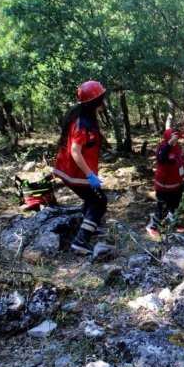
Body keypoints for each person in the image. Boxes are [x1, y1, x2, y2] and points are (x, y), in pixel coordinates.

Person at [53, 80, 108, 254]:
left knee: (91, 199)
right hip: (75, 172)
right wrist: (89, 174)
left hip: (72, 171)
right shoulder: (82, 122)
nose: (103, 102)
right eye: (101, 99)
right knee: (100, 202)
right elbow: (75, 151)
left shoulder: (84, 116)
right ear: (95, 101)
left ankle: (90, 226)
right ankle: (81, 240)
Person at [145, 128, 184, 238]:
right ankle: (151, 226)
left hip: (177, 186)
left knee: (175, 207)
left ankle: (173, 224)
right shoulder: (162, 149)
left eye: (176, 138)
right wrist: (169, 143)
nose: (175, 140)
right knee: (161, 210)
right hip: (164, 188)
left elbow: (182, 164)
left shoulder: (178, 148)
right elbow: (162, 158)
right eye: (173, 137)